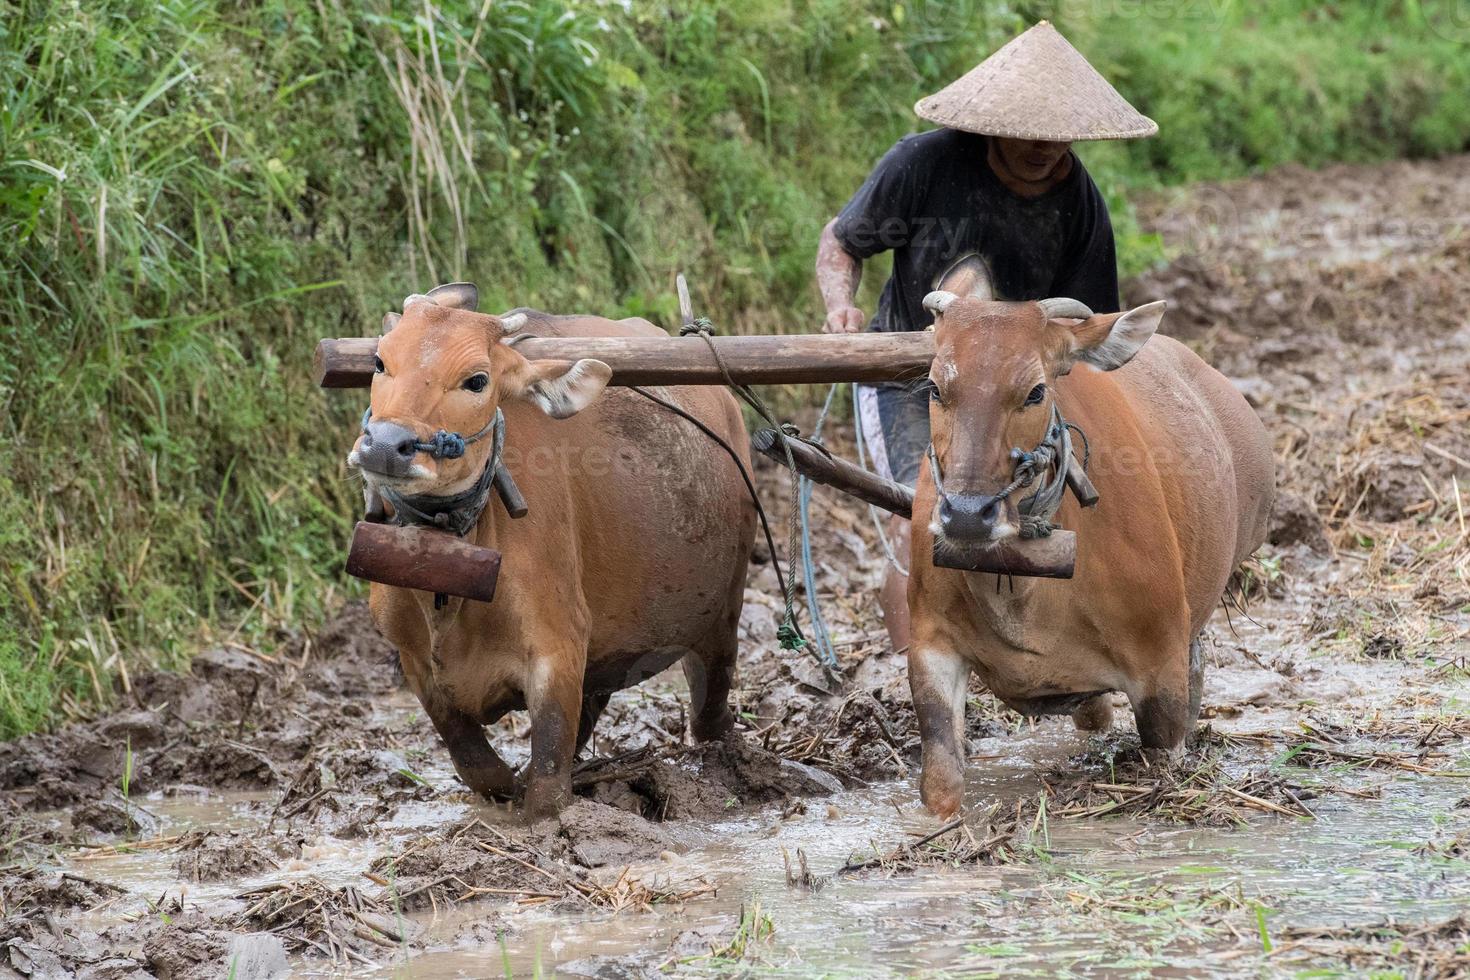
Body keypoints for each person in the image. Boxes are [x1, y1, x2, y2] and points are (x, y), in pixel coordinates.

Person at [814, 21, 1158, 653]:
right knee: (919, 516)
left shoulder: (1080, 203)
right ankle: (914, 669)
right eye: (1029, 131)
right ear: (993, 122)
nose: (1044, 147)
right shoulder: (922, 163)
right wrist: (841, 308)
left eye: (1059, 134)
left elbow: (1086, 331)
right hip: (922, 376)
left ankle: (1056, 657)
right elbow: (842, 241)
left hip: (1019, 386)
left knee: (1050, 511)